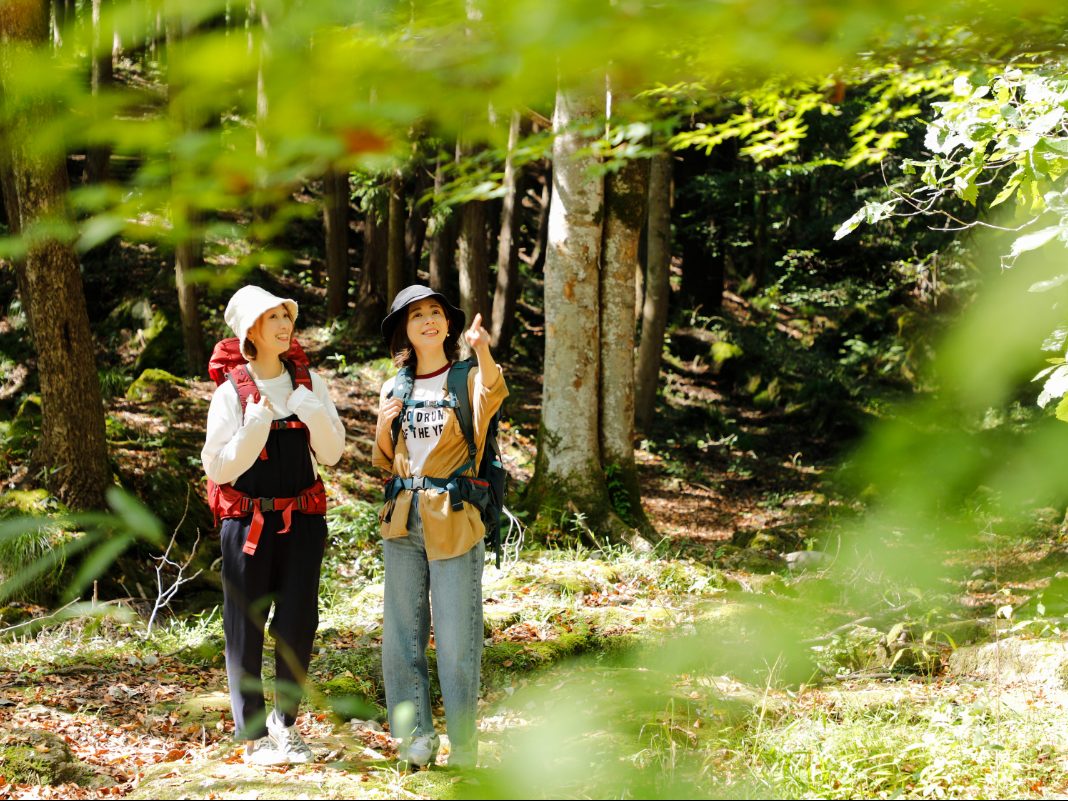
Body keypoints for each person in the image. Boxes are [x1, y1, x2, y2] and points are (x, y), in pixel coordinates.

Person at [201, 285, 345, 765]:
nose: (285, 325)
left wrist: (311, 412)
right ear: (250, 332)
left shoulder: (310, 384)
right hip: (247, 525)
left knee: (299, 622)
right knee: (245, 626)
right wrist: (254, 427)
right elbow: (219, 468)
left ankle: (286, 725)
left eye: (287, 316)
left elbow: (332, 453)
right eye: (273, 319)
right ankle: (254, 737)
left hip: (303, 520)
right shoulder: (230, 393)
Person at [372, 285, 508, 769]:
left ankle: (465, 747)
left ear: (447, 326)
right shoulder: (395, 387)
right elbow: (383, 460)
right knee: (401, 638)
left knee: (457, 641)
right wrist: (384, 425)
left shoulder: (467, 377)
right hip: (402, 520)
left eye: (435, 313)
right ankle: (415, 742)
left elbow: (492, 392)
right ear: (404, 332)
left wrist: (482, 348)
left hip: (454, 519)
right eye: (416, 316)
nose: (428, 321)